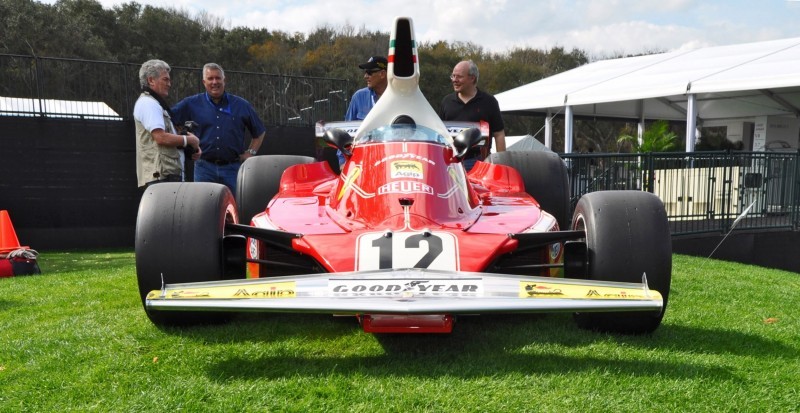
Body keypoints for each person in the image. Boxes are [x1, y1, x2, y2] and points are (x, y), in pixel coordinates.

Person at [172, 63, 266, 194]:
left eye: (218, 78)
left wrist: (251, 152)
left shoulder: (241, 105)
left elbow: (259, 132)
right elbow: (170, 119)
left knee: (234, 208)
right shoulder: (191, 103)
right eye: (210, 79)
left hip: (233, 169)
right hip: (204, 167)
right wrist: (184, 138)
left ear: (224, 80)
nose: (214, 82)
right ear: (204, 82)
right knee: (203, 207)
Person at [133, 59, 201, 188]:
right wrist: (189, 140)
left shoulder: (154, 104)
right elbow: (161, 137)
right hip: (161, 177)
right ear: (151, 80)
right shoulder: (148, 103)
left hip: (166, 176)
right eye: (165, 79)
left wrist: (188, 144)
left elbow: (166, 138)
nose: (169, 84)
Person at [439, 60, 507, 171]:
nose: (454, 80)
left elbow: (499, 134)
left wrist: (503, 165)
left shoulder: (489, 102)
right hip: (451, 161)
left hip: (479, 163)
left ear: (472, 78)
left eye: (459, 77)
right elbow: (439, 133)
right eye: (453, 76)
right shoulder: (447, 101)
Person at [340, 56, 389, 166]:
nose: (365, 76)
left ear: (382, 74)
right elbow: (345, 134)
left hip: (389, 160)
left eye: (369, 72)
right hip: (361, 162)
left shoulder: (399, 99)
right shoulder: (358, 97)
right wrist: (342, 162)